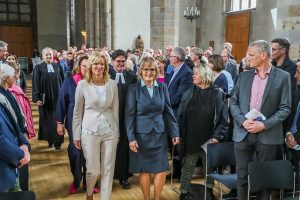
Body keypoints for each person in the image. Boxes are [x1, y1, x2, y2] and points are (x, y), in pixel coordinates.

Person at [230, 40, 291, 199]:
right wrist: (243, 121)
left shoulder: (283, 77)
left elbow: (285, 108)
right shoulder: (243, 76)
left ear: (263, 55)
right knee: (241, 176)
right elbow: (233, 102)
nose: (246, 58)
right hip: (242, 132)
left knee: (264, 178)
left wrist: (263, 124)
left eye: (251, 54)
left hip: (268, 134)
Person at [126, 56, 180, 200]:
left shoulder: (162, 87)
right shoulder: (133, 89)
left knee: (161, 170)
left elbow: (168, 111)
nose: (149, 72)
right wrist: (131, 138)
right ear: (141, 71)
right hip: (141, 136)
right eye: (145, 69)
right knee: (144, 170)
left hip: (160, 134)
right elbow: (129, 116)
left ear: (156, 71)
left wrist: (175, 132)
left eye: (151, 69)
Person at [177, 64, 229, 200]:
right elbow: (180, 115)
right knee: (188, 166)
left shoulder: (218, 93)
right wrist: (179, 134)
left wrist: (218, 136)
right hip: (191, 137)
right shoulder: (190, 92)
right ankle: (183, 191)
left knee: (209, 167)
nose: (193, 76)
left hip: (209, 137)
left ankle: (210, 190)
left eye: (196, 73)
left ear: (205, 76)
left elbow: (223, 119)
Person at [72, 52, 119, 200]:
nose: (99, 67)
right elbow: (77, 112)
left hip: (110, 131)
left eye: (102, 64)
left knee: (108, 169)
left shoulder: (112, 84)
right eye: (96, 64)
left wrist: (117, 131)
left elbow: (115, 109)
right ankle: (89, 192)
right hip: (89, 131)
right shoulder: (82, 85)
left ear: (105, 66)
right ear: (90, 66)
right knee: (93, 170)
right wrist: (76, 135)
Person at [56, 55, 100, 194]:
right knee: (76, 152)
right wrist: (59, 123)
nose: (86, 68)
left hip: (93, 122)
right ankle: (76, 180)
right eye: (84, 66)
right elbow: (62, 101)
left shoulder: (97, 82)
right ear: (78, 67)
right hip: (73, 122)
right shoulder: (70, 81)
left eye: (89, 66)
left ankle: (90, 183)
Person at [109, 49, 137, 189]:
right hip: (110, 117)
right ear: (112, 61)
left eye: (123, 61)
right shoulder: (106, 75)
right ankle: (108, 175)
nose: (120, 64)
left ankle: (124, 177)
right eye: (118, 61)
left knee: (125, 147)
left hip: (127, 117)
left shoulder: (132, 76)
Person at [0, 63, 31, 192]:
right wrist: (20, 154)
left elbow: (14, 121)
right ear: (7, 78)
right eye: (13, 76)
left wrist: (24, 143)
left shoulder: (8, 92)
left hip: (13, 156)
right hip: (6, 165)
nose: (16, 79)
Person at [165, 47, 193, 180]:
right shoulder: (172, 69)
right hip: (169, 111)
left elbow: (182, 95)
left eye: (170, 56)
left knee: (178, 143)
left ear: (176, 58)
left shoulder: (186, 72)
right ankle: (175, 171)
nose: (169, 58)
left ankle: (178, 171)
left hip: (177, 112)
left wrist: (166, 104)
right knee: (172, 143)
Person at [32, 47, 64, 150]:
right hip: (45, 99)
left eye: (50, 54)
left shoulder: (58, 66)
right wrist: (37, 98)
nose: (48, 56)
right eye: (46, 54)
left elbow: (63, 82)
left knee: (58, 120)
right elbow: (35, 83)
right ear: (42, 56)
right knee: (47, 121)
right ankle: (50, 140)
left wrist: (64, 95)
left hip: (57, 98)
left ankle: (58, 142)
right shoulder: (38, 68)